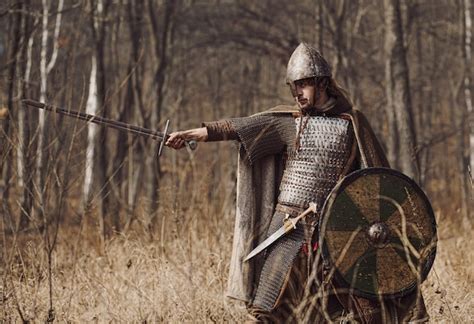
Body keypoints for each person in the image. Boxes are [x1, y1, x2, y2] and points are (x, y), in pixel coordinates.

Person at [166, 43, 428, 323]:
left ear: (322, 83)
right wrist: (192, 134)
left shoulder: (352, 123)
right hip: (288, 226)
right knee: (269, 306)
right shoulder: (289, 123)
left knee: (363, 303)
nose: (296, 93)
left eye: (302, 85)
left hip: (336, 228)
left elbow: (377, 181)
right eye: (293, 86)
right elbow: (238, 128)